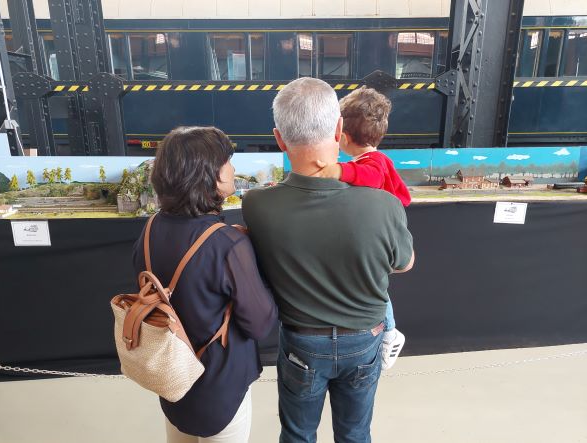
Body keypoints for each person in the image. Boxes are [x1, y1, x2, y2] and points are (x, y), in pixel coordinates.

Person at [242, 78, 414, 443]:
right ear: (338, 129)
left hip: (302, 341)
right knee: (355, 433)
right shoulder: (385, 204)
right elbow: (404, 263)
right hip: (365, 339)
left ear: (279, 139)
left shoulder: (256, 204)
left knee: (297, 434)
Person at [133, 126, 278, 443]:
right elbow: (260, 323)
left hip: (173, 380)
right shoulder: (227, 245)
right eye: (228, 162)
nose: (233, 169)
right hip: (219, 388)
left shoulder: (151, 228)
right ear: (209, 174)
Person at [313, 86, 411, 370]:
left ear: (342, 137)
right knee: (373, 284)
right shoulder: (371, 160)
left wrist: (336, 170)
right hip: (379, 228)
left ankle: (390, 332)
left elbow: (369, 178)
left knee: (376, 286)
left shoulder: (374, 162)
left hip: (381, 232)